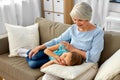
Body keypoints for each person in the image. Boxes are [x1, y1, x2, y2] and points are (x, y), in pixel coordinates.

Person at [26, 1, 104, 73]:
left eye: (80, 20)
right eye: (74, 19)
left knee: (33, 63)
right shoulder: (73, 28)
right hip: (60, 53)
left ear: (88, 18)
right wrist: (40, 47)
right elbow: (58, 40)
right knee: (32, 54)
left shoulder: (97, 33)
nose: (76, 23)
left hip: (69, 59)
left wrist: (73, 49)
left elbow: (94, 58)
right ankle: (27, 52)